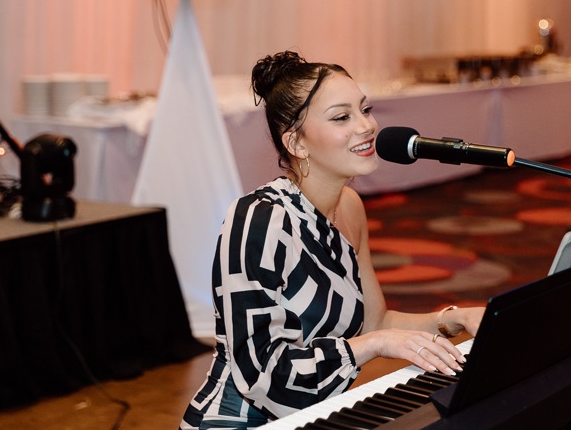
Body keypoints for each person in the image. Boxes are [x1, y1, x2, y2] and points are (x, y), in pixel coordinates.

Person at [180, 50, 485, 429]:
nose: (367, 126)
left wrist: (453, 319)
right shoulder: (259, 220)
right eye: (342, 117)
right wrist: (373, 345)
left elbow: (375, 322)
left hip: (316, 416)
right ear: (297, 143)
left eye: (365, 109)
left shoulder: (350, 207)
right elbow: (262, 374)